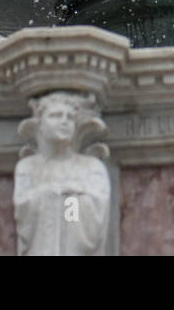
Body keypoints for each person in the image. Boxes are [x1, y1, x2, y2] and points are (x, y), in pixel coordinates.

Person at [13, 92, 111, 255]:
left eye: (70, 117)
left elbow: (94, 215)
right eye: (56, 116)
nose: (64, 122)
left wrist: (69, 199)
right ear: (41, 124)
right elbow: (24, 211)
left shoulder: (91, 167)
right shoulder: (27, 167)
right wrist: (52, 192)